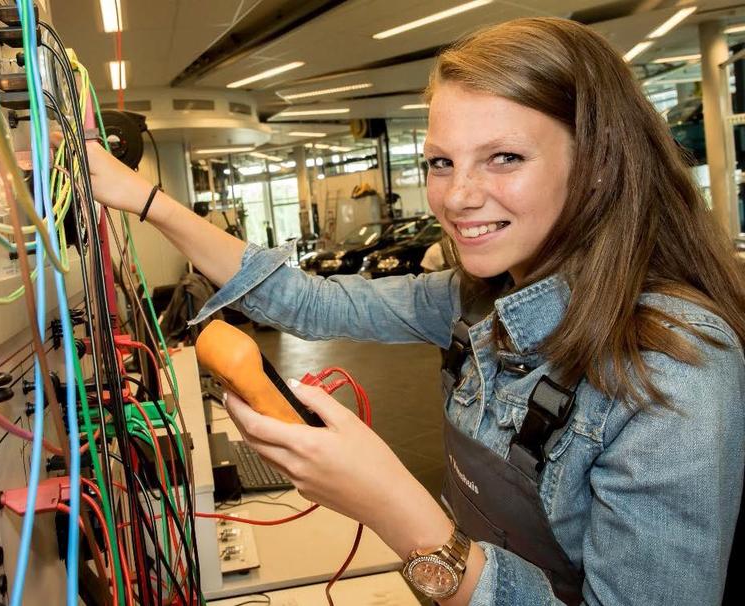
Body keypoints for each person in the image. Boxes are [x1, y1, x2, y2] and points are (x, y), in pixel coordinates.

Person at [82, 17, 745, 605]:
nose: (457, 196)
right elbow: (305, 300)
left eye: (504, 157)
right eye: (440, 162)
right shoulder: (476, 296)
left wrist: (392, 506)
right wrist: (143, 200)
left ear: (598, 164)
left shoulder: (675, 365)